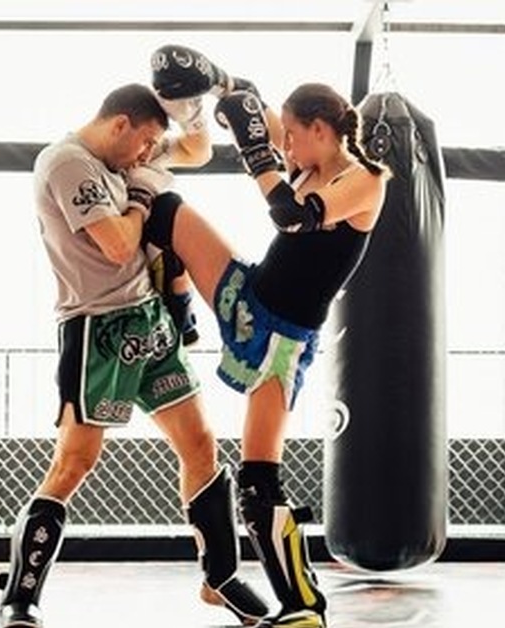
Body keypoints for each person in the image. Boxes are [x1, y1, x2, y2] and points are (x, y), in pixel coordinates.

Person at [0, 82, 268, 628]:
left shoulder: (127, 154)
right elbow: (118, 245)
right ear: (119, 124)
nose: (146, 155)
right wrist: (142, 196)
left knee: (201, 443)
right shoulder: (67, 163)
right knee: (74, 462)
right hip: (96, 328)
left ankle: (220, 577)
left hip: (151, 322)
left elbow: (195, 150)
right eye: (143, 143)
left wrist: (194, 106)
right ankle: (20, 596)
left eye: (150, 148)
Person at [146, 46, 390, 628]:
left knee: (257, 482)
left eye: (293, 139)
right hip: (247, 294)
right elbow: (249, 101)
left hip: (283, 339)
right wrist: (219, 79)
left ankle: (303, 606)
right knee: (166, 212)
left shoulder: (365, 182)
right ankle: (178, 319)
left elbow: (293, 216)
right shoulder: (306, 154)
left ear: (321, 130)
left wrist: (256, 155)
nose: (287, 150)